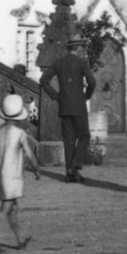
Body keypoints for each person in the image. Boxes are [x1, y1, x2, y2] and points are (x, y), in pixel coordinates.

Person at [0, 92, 40, 251]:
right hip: (11, 178)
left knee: (12, 209)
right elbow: (30, 155)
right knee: (5, 209)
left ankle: (21, 238)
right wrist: (36, 169)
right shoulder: (20, 133)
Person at [40, 44, 96, 182]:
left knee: (69, 140)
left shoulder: (59, 63)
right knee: (84, 136)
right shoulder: (81, 62)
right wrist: (87, 96)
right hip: (78, 105)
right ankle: (75, 166)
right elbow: (92, 82)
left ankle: (70, 173)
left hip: (64, 105)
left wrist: (55, 95)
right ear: (79, 49)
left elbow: (43, 80)